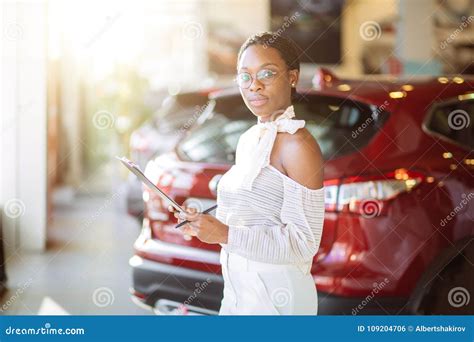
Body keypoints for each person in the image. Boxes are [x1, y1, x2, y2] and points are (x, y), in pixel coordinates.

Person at [169, 31, 325, 315]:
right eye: (245, 76)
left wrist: (226, 234)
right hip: (239, 290)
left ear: (292, 76)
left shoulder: (298, 145)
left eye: (267, 73)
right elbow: (254, 216)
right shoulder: (250, 138)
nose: (254, 86)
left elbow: (304, 245)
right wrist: (205, 222)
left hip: (278, 299)